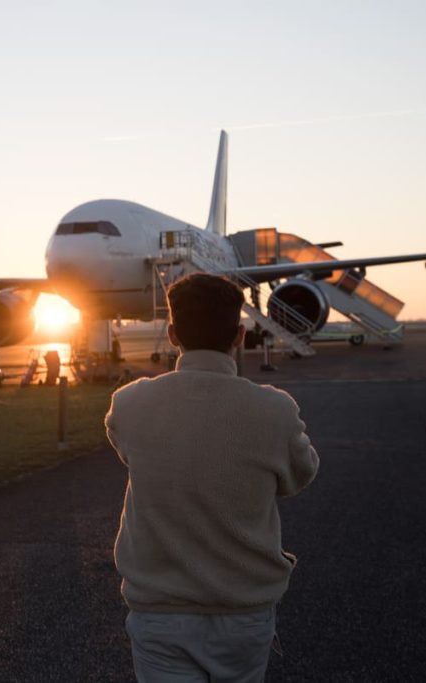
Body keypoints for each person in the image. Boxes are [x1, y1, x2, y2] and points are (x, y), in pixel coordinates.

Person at [105, 273, 319, 683]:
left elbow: (127, 450)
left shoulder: (129, 403)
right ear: (239, 334)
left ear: (172, 334)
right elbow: (300, 474)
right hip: (244, 613)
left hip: (159, 614)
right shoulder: (275, 410)